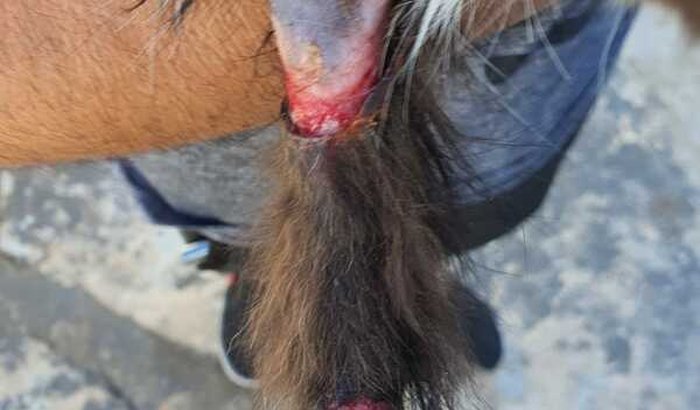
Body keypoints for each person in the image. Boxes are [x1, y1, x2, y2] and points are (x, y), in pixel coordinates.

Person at [1, 0, 641, 397]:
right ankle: (256, 286)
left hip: (510, 116)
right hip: (209, 167)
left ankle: (422, 284)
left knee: (452, 227)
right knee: (250, 243)